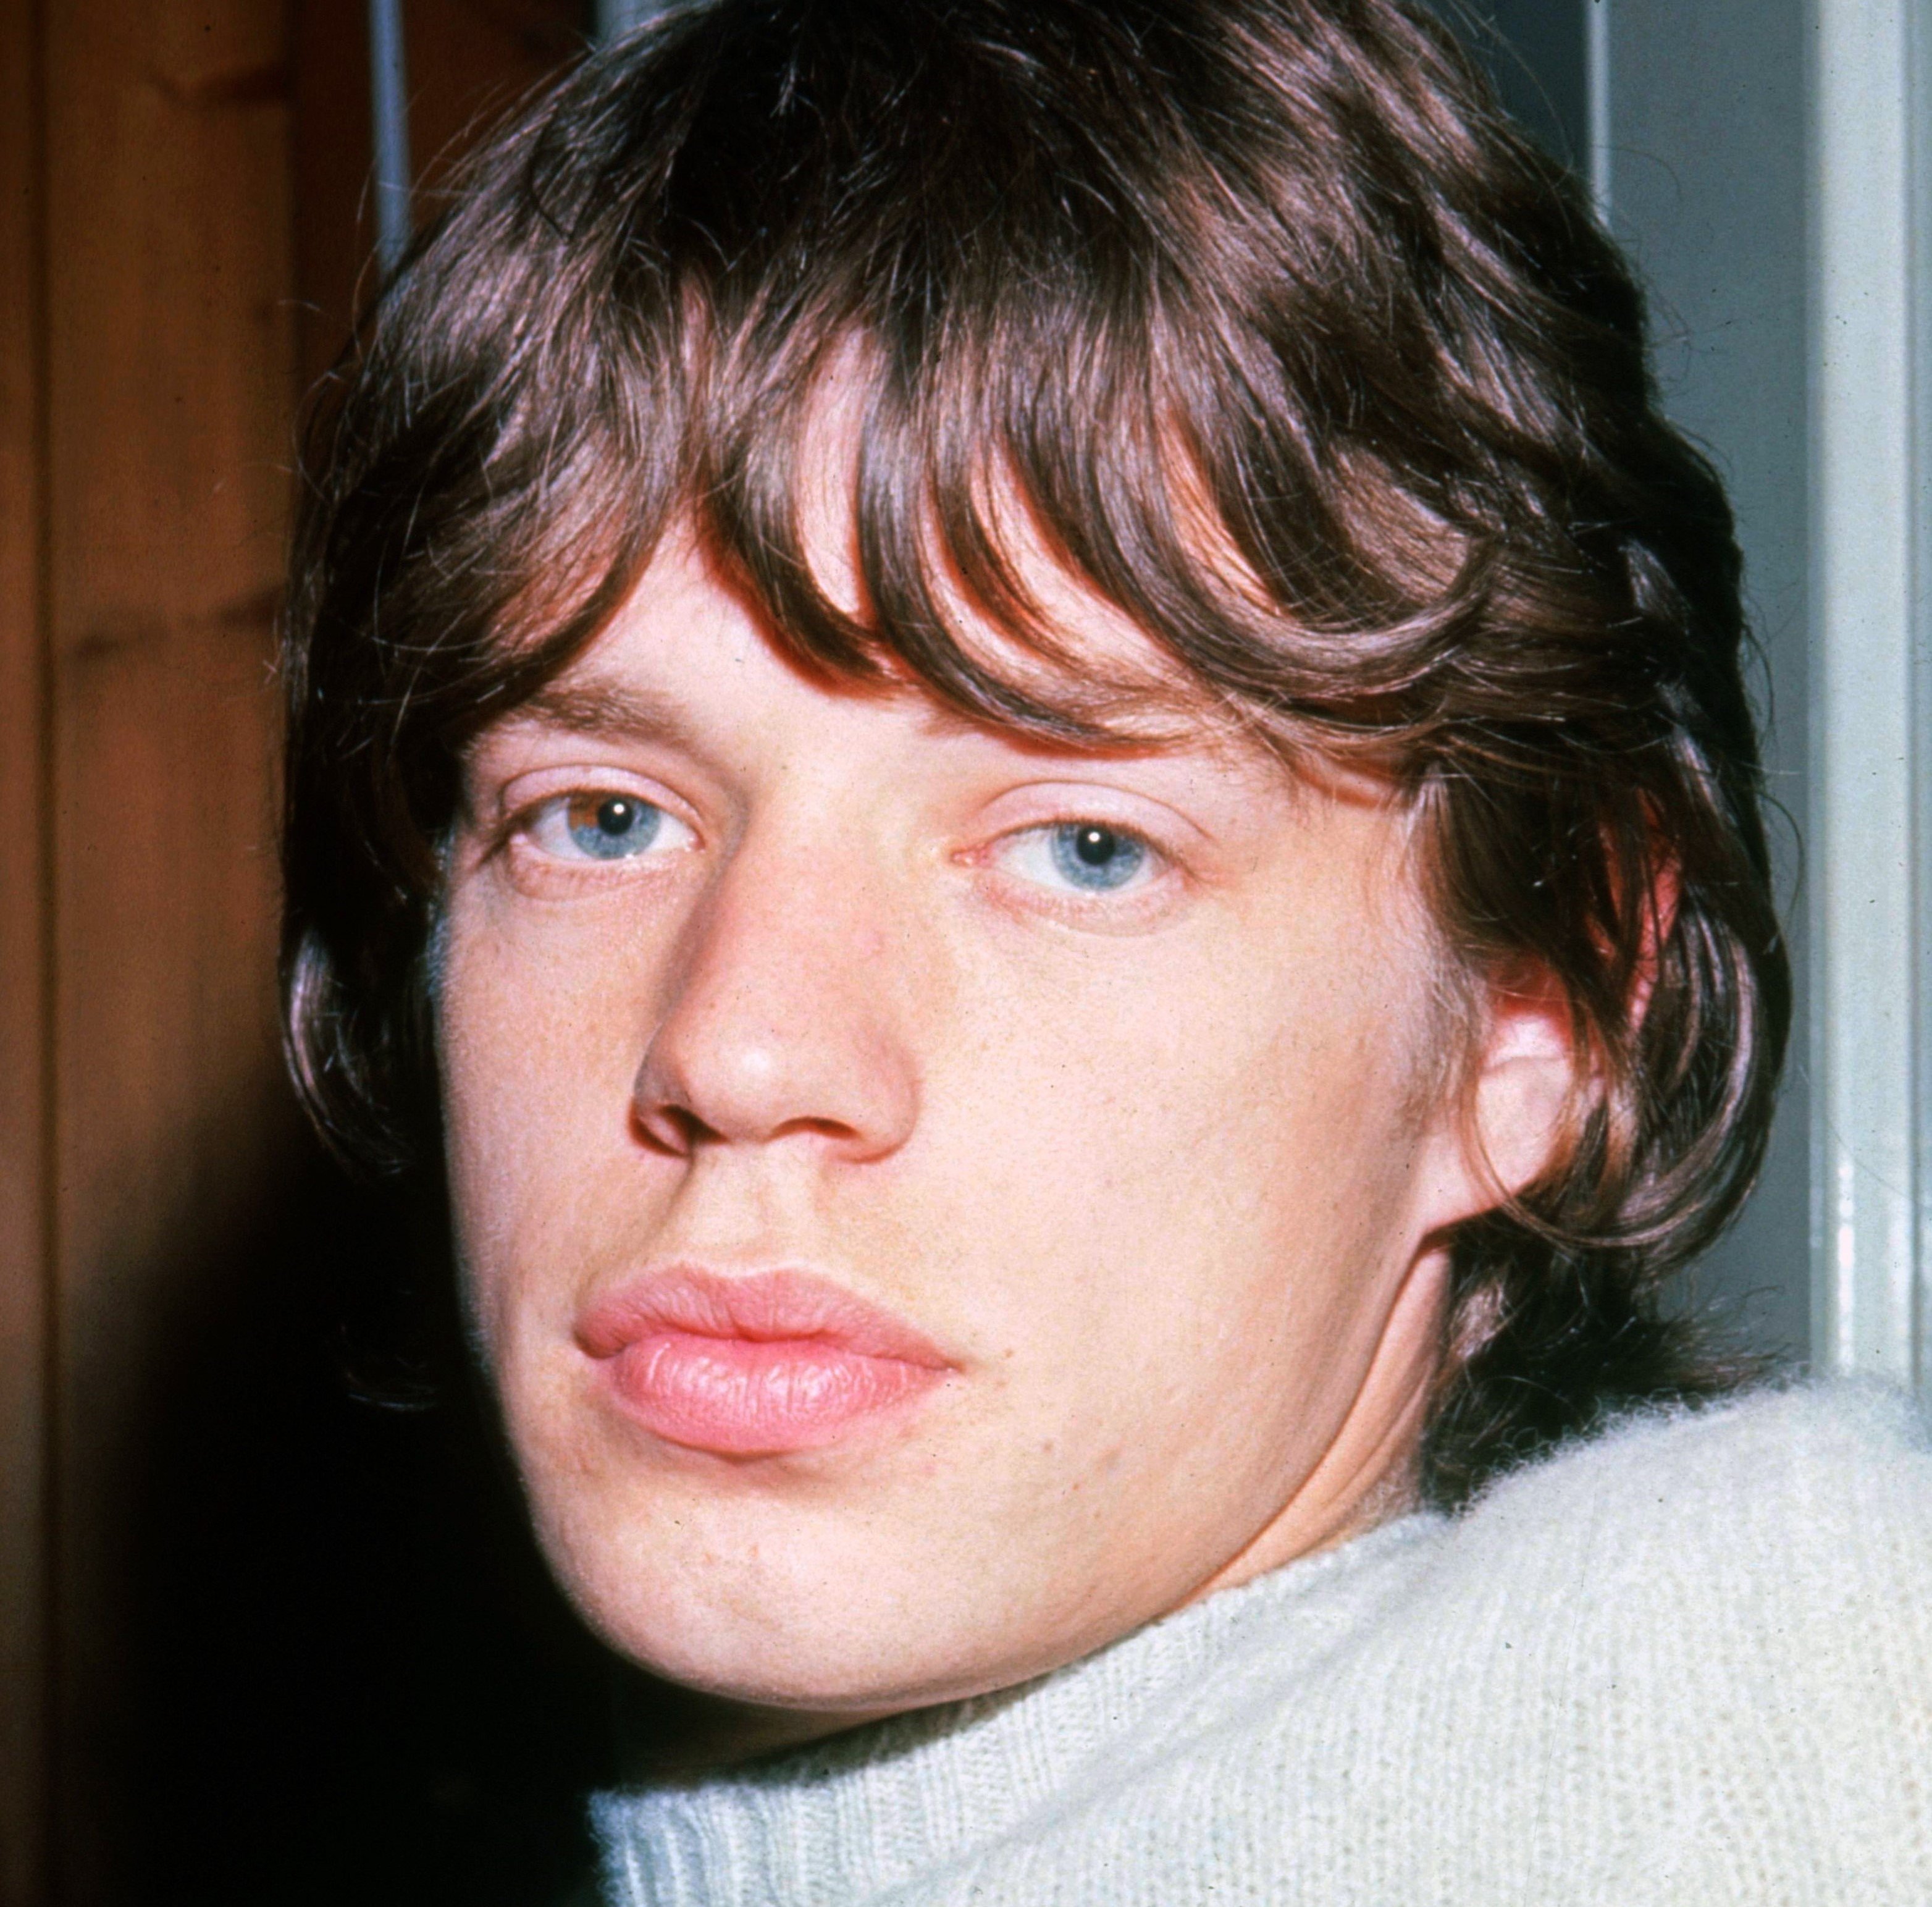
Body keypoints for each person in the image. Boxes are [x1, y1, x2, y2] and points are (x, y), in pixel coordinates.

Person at [279, 0, 1932, 1899]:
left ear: (1534, 1022)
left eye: (1084, 848)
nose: (738, 1050)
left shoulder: (1788, 1704)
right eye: (604, 818)